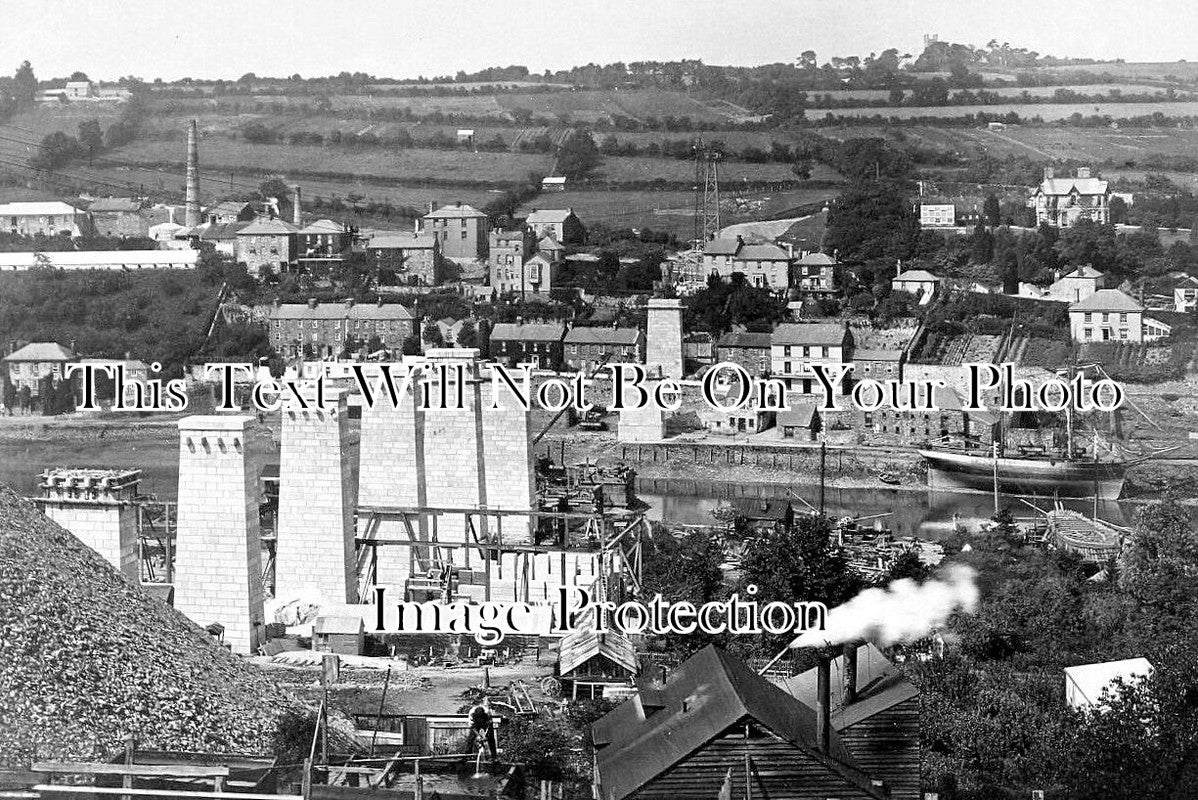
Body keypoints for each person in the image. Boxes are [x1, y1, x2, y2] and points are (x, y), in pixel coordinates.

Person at [465, 697, 498, 762]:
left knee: (491, 738)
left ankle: (494, 757)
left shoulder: (487, 712)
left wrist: (485, 736)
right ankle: (467, 756)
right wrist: (478, 736)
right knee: (471, 738)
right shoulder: (471, 713)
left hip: (485, 723)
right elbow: (472, 726)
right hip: (476, 724)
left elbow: (489, 725)